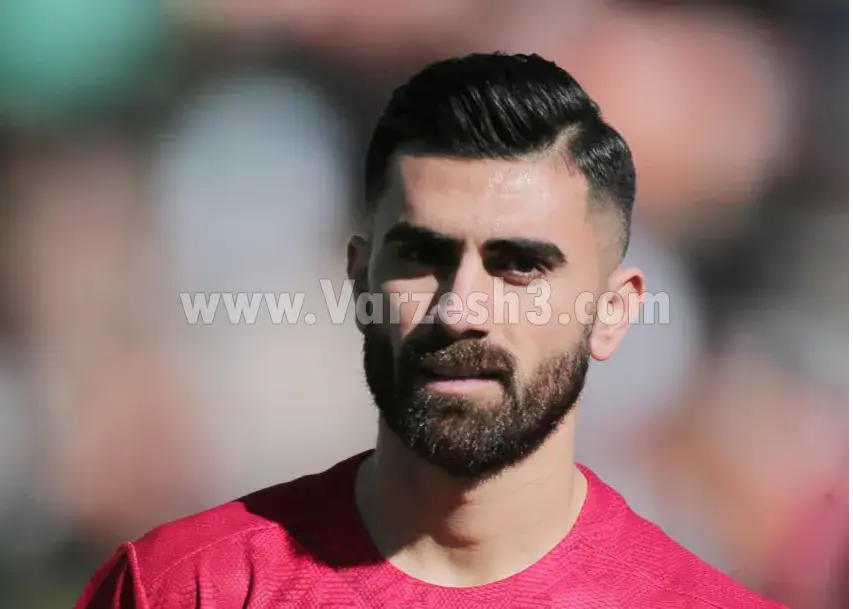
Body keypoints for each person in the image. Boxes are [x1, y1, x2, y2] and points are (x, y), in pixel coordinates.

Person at [74, 53, 785, 608]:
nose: (460, 308)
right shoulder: (184, 588)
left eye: (519, 265)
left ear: (611, 311)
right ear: (359, 281)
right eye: (423, 256)